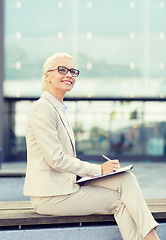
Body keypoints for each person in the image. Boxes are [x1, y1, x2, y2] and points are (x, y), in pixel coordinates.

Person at [23, 53, 160, 240]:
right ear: (47, 75)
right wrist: (98, 170)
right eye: (62, 70)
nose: (69, 75)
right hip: (51, 197)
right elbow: (55, 159)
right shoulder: (42, 109)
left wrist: (106, 171)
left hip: (66, 186)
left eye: (73, 71)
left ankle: (151, 236)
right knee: (120, 201)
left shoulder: (58, 108)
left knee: (125, 178)